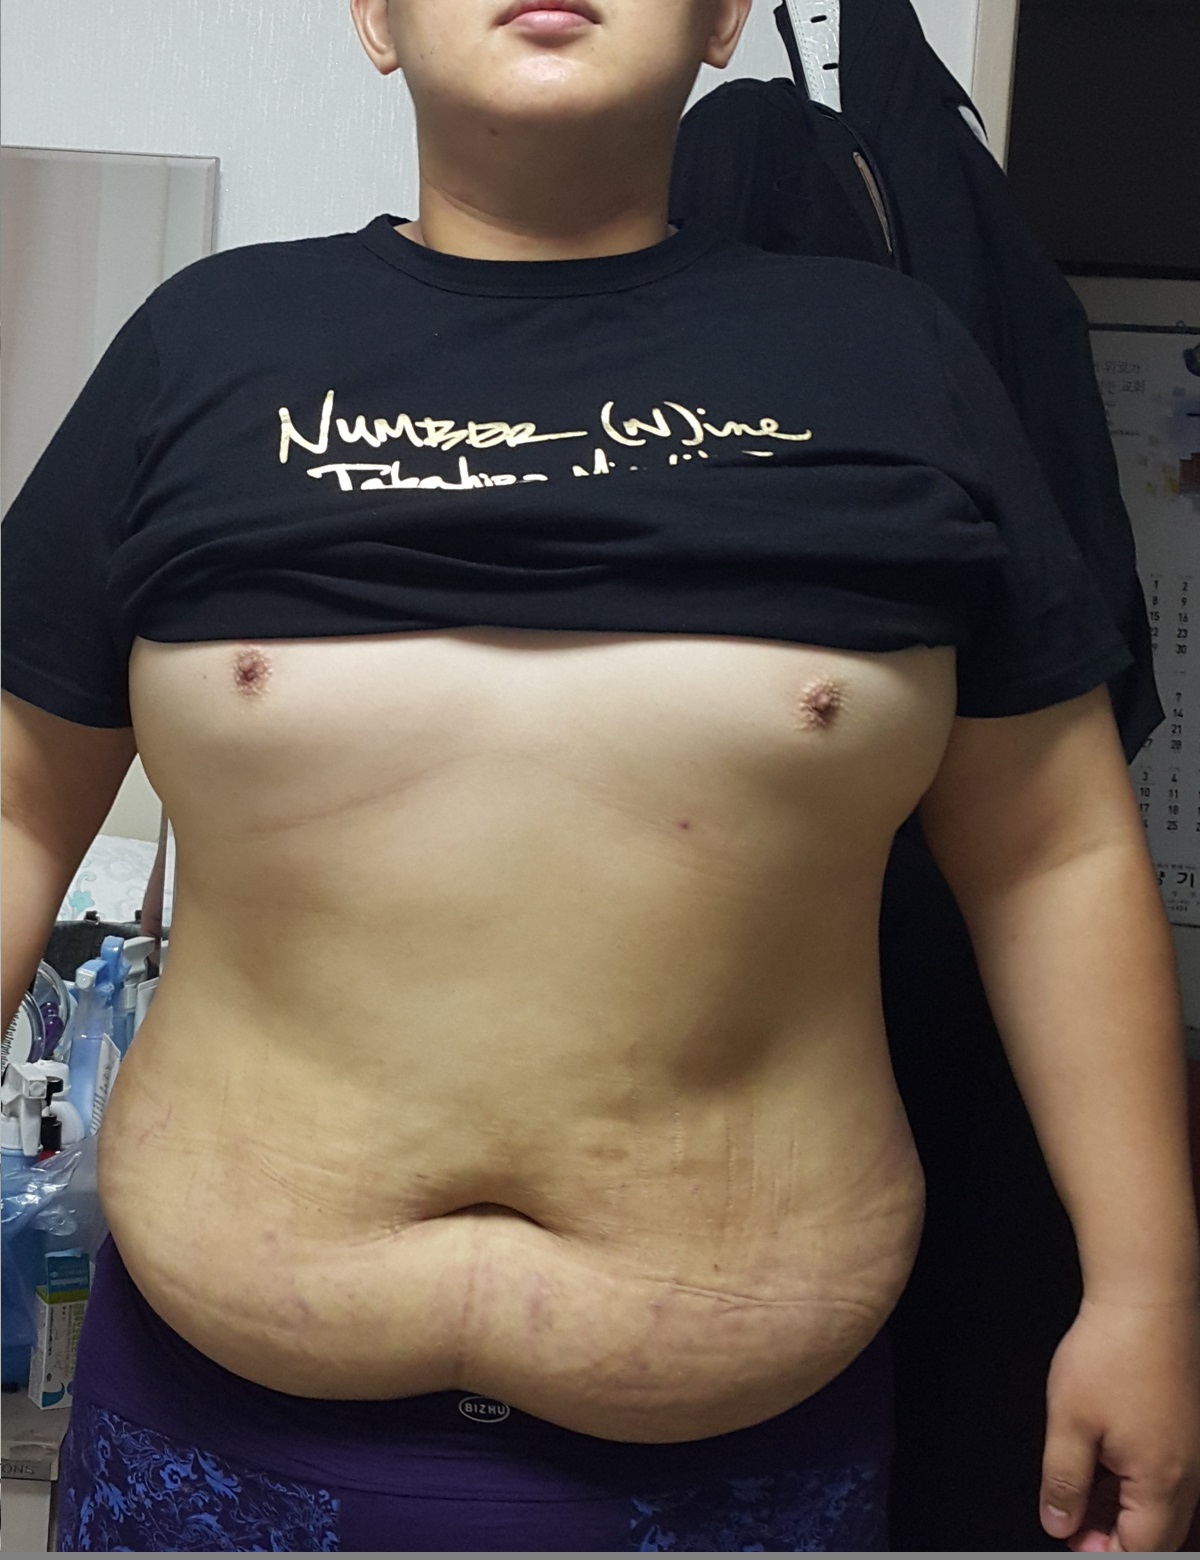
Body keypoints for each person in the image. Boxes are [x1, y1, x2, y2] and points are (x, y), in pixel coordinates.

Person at [2, 0, 1198, 1550]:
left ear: (725, 19)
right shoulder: (202, 346)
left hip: (740, 1477)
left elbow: (1053, 855)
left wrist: (1148, 1294)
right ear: (375, 19)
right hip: (211, 1449)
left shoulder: (901, 365)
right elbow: (17, 809)